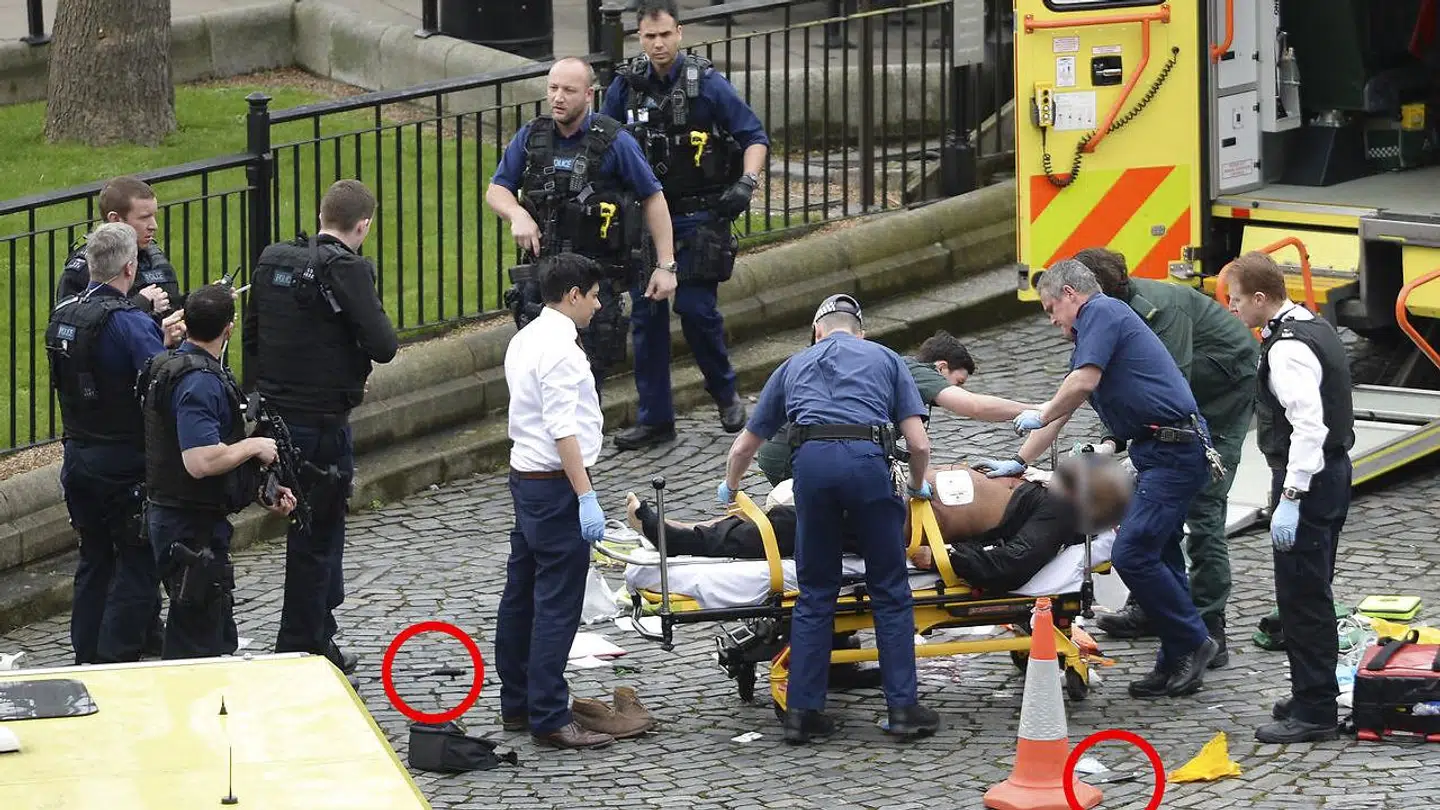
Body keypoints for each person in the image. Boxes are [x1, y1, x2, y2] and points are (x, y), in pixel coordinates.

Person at [719, 293, 941, 744]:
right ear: (861, 331)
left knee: (816, 590)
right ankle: (903, 709)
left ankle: (803, 714)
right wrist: (917, 486)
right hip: (867, 463)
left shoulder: (793, 366)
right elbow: (919, 444)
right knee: (889, 588)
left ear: (817, 332)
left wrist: (731, 486)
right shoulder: (886, 359)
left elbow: (744, 446)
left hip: (813, 467)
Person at [1003, 260, 1221, 698]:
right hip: (1159, 450)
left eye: (1051, 309)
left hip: (1173, 451)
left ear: (1070, 294)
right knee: (1161, 555)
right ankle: (1173, 659)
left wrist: (1042, 413)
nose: (1052, 320)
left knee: (1133, 552)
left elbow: (1081, 385)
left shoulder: (1100, 312)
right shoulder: (1095, 329)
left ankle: (1194, 641)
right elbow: (1066, 406)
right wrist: (1017, 461)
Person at [1073, 247, 1259, 666]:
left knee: (1203, 506)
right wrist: (1112, 440)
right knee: (1157, 500)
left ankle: (1209, 625)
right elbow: (1115, 384)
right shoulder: (1108, 313)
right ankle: (1157, 607)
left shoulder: (1161, 312)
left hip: (1222, 395)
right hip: (1178, 403)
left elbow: (1165, 388)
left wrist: (1132, 443)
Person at [243, 179, 398, 676]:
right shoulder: (347, 268)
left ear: (321, 215)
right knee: (318, 536)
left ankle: (317, 632)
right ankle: (302, 647)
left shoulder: (274, 259)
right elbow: (384, 344)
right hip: (321, 423)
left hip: (276, 415)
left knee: (314, 531)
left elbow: (253, 334)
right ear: (363, 226)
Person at [601, 0, 772, 449]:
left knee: (696, 310)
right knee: (646, 317)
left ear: (679, 33)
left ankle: (725, 392)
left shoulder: (707, 84)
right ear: (639, 37)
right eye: (649, 36)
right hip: (644, 219)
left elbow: (753, 136)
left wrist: (747, 181)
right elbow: (602, 142)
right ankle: (656, 419)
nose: (658, 44)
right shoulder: (626, 86)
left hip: (698, 215)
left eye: (665, 35)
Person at [625, 454, 1133, 594]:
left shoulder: (1055, 514)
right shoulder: (1047, 494)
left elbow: (1013, 564)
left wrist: (943, 558)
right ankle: (687, 532)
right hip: (900, 503)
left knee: (791, 527)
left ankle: (681, 537)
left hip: (904, 523)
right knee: (791, 519)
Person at [487, 56, 678, 395]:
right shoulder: (532, 136)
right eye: (553, 88)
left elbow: (653, 198)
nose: (558, 97)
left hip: (594, 282)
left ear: (589, 94)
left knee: (584, 385)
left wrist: (666, 266)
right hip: (545, 280)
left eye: (569, 90)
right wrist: (517, 214)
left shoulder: (615, 142)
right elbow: (497, 189)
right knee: (538, 381)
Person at [45, 222, 185, 666]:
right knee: (138, 562)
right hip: (125, 461)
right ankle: (115, 661)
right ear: (130, 268)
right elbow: (160, 384)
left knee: (94, 559)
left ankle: (86, 655)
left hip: (78, 454)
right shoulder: (127, 321)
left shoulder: (65, 315)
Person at [1226, 251, 1352, 744]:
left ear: (1261, 298)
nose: (1232, 308)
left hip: (1310, 480)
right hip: (1332, 472)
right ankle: (1311, 695)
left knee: (1302, 598)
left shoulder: (1286, 349)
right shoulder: (1311, 324)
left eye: (1237, 300)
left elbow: (1309, 426)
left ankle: (1315, 710)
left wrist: (1292, 495)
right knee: (1312, 589)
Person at [496, 253, 614, 750]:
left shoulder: (525, 338)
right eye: (594, 296)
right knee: (556, 603)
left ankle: (518, 703)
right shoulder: (562, 351)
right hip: (554, 485)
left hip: (526, 478)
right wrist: (586, 494)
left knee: (521, 592)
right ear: (573, 295)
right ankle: (548, 714)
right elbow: (563, 429)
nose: (598, 305)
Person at [141, 284, 296, 659]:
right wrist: (255, 446)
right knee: (197, 644)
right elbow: (201, 462)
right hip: (189, 525)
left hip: (181, 516)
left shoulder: (165, 364)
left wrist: (261, 490)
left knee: (214, 633)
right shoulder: (199, 382)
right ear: (229, 328)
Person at [755, 330, 1036, 485]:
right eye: (958, 382)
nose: (957, 389)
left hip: (795, 447)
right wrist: (1038, 408)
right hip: (796, 452)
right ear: (941, 368)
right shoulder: (919, 373)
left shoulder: (898, 368)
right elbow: (974, 406)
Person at [57, 176, 183, 318]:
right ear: (115, 219)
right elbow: (69, 321)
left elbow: (174, 305)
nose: (154, 226)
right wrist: (141, 304)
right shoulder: (89, 267)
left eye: (154, 216)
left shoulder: (152, 257)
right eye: (144, 217)